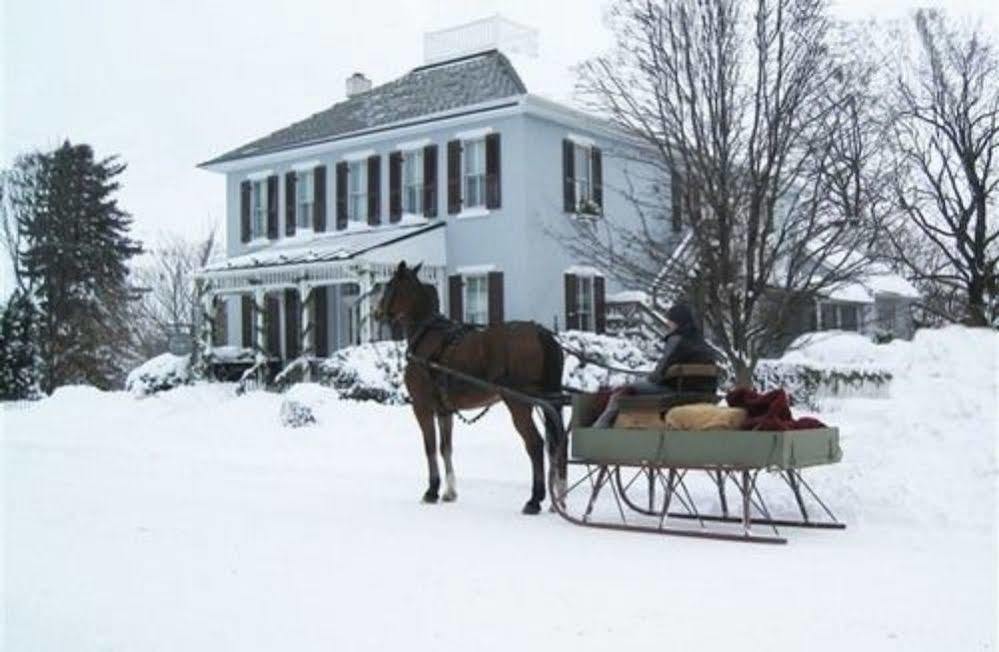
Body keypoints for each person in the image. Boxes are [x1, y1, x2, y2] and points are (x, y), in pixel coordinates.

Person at [592, 303, 717, 428]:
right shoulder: (700, 341)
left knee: (623, 391)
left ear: (676, 321)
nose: (668, 324)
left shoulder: (676, 339)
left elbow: (659, 374)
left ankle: (600, 427)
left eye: (670, 320)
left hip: (678, 390)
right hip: (704, 390)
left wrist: (649, 379)